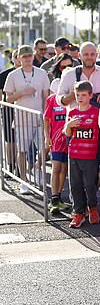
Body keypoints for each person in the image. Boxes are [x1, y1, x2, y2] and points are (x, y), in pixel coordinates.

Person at [4, 45, 50, 195]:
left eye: (29, 56)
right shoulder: (13, 75)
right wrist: (22, 93)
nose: (27, 59)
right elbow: (8, 99)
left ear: (33, 56)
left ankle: (37, 168)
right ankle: (23, 181)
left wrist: (46, 117)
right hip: (22, 119)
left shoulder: (42, 73)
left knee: (45, 147)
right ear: (19, 58)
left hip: (39, 118)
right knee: (22, 150)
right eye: (24, 56)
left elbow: (46, 97)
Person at [64, 81, 100, 228]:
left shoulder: (96, 112)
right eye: (78, 95)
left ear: (91, 95)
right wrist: (68, 126)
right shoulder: (72, 112)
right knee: (75, 185)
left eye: (84, 95)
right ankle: (78, 213)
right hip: (74, 154)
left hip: (90, 156)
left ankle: (92, 208)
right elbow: (67, 134)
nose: (80, 98)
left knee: (89, 184)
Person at [43, 55, 74, 214]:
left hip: (70, 139)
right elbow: (46, 118)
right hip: (56, 139)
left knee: (64, 170)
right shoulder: (52, 98)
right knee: (56, 168)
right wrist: (47, 137)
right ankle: (54, 199)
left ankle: (58, 197)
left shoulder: (75, 97)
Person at [57, 42, 100, 108]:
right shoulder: (69, 75)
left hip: (99, 114)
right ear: (79, 56)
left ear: (97, 55)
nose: (89, 57)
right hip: (76, 114)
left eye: (92, 54)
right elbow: (59, 100)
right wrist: (73, 95)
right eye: (86, 54)